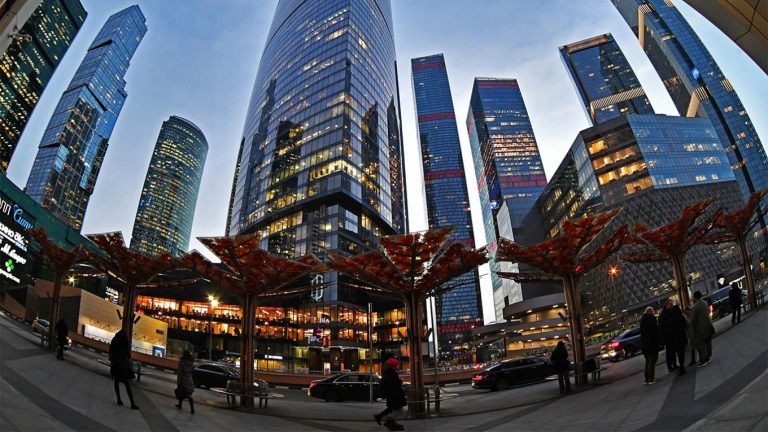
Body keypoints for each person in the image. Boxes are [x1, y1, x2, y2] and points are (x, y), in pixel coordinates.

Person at [374, 357, 406, 431]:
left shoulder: (388, 372)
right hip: (394, 395)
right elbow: (394, 384)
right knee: (399, 410)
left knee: (394, 409)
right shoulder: (391, 373)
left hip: (393, 395)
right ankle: (389, 421)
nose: (398, 366)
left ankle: (391, 422)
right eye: (397, 364)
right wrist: (400, 381)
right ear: (393, 365)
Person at [109, 329, 138, 409]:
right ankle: (132, 403)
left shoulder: (115, 339)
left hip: (116, 364)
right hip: (123, 365)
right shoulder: (124, 340)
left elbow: (111, 350)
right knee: (127, 384)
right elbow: (127, 354)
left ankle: (119, 399)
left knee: (116, 381)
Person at [691, 291, 715, 367]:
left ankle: (704, 359)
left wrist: (693, 328)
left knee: (700, 344)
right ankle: (709, 356)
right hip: (708, 324)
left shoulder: (695, 306)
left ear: (695, 297)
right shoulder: (705, 303)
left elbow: (693, 320)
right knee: (708, 341)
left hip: (700, 328)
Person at [640, 306, 662, 384]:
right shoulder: (652, 319)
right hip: (652, 344)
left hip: (645, 345)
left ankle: (647, 378)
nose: (653, 313)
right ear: (650, 312)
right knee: (652, 361)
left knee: (648, 362)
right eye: (652, 311)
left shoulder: (643, 320)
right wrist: (659, 342)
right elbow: (655, 332)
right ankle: (651, 379)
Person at [657, 299, 677, 372]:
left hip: (672, 336)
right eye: (670, 304)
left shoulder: (670, 313)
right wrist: (664, 339)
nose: (672, 306)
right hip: (667, 337)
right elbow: (661, 329)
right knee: (669, 352)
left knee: (673, 351)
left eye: (672, 304)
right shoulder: (662, 315)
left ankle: (674, 364)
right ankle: (670, 366)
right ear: (667, 305)